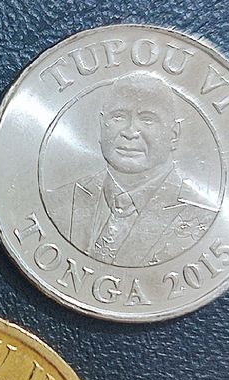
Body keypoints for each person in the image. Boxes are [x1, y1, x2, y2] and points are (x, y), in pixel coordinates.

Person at [47, 71, 218, 266]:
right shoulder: (59, 201)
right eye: (118, 117)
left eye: (147, 119)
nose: (130, 132)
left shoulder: (204, 219)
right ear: (102, 126)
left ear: (173, 135)